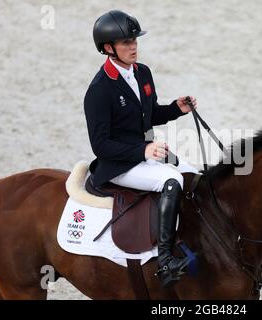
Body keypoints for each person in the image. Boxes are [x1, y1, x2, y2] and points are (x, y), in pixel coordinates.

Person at [84, 10, 197, 287]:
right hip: (118, 165)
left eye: (134, 40)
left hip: (145, 153)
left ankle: (191, 240)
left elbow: (148, 115)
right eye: (126, 43)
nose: (133, 46)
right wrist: (143, 152)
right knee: (171, 180)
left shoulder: (142, 72)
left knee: (193, 174)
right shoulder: (99, 90)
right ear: (108, 48)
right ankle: (166, 258)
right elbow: (101, 145)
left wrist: (175, 109)